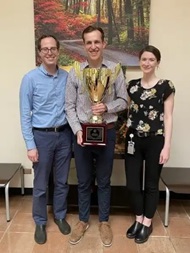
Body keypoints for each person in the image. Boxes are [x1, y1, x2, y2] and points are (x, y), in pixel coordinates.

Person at [65, 25, 127, 247]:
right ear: (84, 45)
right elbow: (69, 106)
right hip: (82, 133)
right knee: (83, 181)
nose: (93, 46)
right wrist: (77, 131)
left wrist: (107, 107)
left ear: (103, 44)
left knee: (103, 181)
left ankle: (103, 221)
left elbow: (124, 101)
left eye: (96, 42)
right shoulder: (75, 71)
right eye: (88, 42)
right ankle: (82, 220)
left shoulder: (115, 70)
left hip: (107, 132)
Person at [19, 35, 72, 244]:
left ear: (58, 51)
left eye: (53, 48)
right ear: (39, 53)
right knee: (41, 184)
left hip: (64, 135)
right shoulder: (30, 79)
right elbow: (25, 115)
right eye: (45, 49)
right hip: (41, 136)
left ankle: (59, 216)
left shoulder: (67, 77)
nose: (49, 52)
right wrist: (30, 145)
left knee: (62, 181)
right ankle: (40, 221)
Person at [125, 45, 175, 243]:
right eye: (144, 59)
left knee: (151, 184)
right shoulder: (132, 85)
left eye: (151, 60)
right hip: (133, 140)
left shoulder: (166, 86)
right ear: (139, 61)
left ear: (157, 63)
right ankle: (138, 219)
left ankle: (147, 222)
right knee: (132, 184)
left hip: (156, 140)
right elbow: (129, 111)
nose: (147, 63)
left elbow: (169, 117)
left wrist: (167, 146)